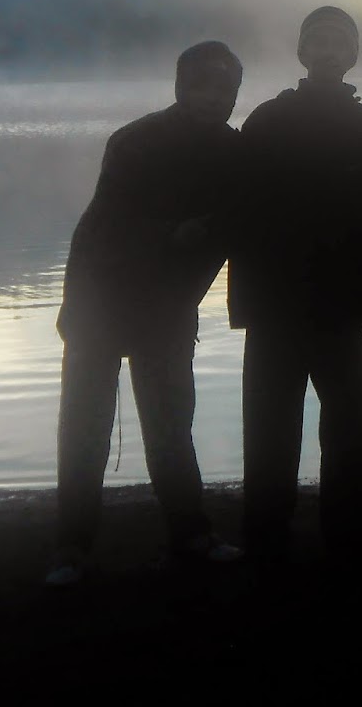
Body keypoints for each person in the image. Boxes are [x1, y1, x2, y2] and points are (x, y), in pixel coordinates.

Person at [48, 41, 245, 588]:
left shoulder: (235, 154)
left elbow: (230, 229)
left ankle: (192, 537)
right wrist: (173, 235)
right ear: (181, 87)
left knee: (170, 429)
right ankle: (71, 549)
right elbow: (103, 230)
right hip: (98, 301)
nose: (213, 98)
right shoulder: (134, 141)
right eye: (202, 86)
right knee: (84, 429)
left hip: (167, 309)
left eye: (225, 90)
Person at [229, 6, 362, 559]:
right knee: (270, 424)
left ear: (353, 55)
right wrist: (244, 301)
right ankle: (266, 530)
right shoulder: (268, 121)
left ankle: (352, 528)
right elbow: (240, 212)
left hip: (340, 303)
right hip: (275, 302)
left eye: (339, 41)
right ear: (301, 52)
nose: (327, 50)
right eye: (317, 40)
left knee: (352, 424)